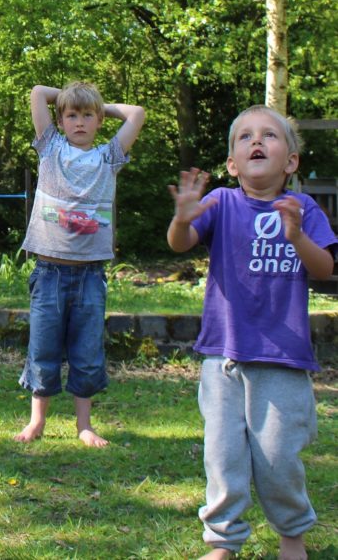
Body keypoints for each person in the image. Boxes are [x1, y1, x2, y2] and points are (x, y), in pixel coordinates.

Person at [167, 105, 336, 560]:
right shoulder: (221, 202)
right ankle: (222, 542)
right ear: (232, 164)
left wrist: (297, 236)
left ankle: (292, 538)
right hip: (223, 358)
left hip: (282, 361)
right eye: (245, 137)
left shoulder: (303, 209)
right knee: (223, 458)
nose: (256, 141)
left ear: (292, 161)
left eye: (269, 136)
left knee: (279, 460)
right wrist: (183, 218)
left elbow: (325, 268)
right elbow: (179, 243)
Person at [14, 82, 145, 447]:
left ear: (100, 120)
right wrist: (72, 96)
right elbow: (37, 91)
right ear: (60, 119)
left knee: (87, 352)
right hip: (49, 272)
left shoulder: (109, 157)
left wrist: (96, 102)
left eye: (88, 115)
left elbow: (137, 114)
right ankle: (36, 420)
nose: (80, 122)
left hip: (90, 274)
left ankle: (83, 425)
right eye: (72, 115)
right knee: (43, 349)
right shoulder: (50, 147)